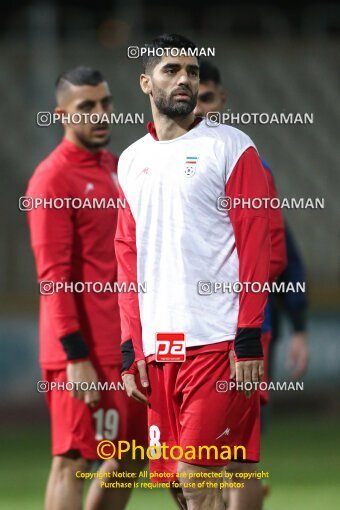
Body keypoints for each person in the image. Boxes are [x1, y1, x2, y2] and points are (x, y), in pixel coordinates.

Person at [115, 34, 272, 510]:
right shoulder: (131, 159)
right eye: (171, 70)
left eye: (193, 72)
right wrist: (131, 347)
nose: (185, 78)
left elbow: (256, 247)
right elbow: (127, 260)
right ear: (145, 82)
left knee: (195, 474)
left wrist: (248, 337)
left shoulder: (231, 147)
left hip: (219, 343)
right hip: (160, 352)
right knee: (180, 487)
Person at [26, 66, 146, 510]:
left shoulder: (118, 169)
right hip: (79, 352)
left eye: (106, 103)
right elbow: (52, 276)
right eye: (87, 107)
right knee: (73, 459)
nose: (101, 114)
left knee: (129, 456)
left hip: (123, 346)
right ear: (62, 115)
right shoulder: (51, 179)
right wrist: (76, 356)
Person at [194, 59, 308, 508]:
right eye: (190, 98)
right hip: (181, 335)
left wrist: (295, 323)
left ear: (221, 99)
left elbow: (277, 252)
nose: (196, 108)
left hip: (239, 330)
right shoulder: (157, 162)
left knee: (238, 454)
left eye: (205, 97)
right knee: (190, 459)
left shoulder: (245, 160)